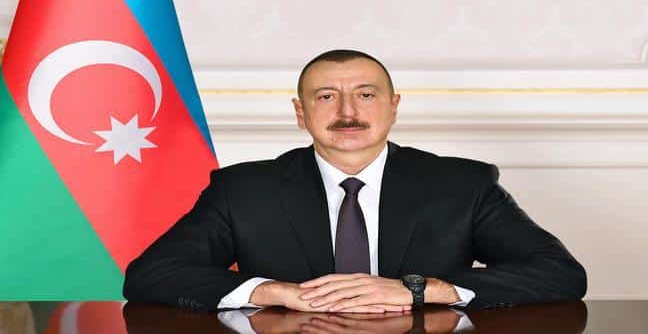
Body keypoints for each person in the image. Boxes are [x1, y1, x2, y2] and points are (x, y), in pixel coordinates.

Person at [123, 50, 587, 313]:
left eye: (366, 95)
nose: (348, 112)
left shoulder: (461, 184)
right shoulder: (244, 189)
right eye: (327, 97)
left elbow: (560, 273)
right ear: (300, 113)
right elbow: (150, 275)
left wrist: (422, 289)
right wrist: (273, 292)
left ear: (393, 106)